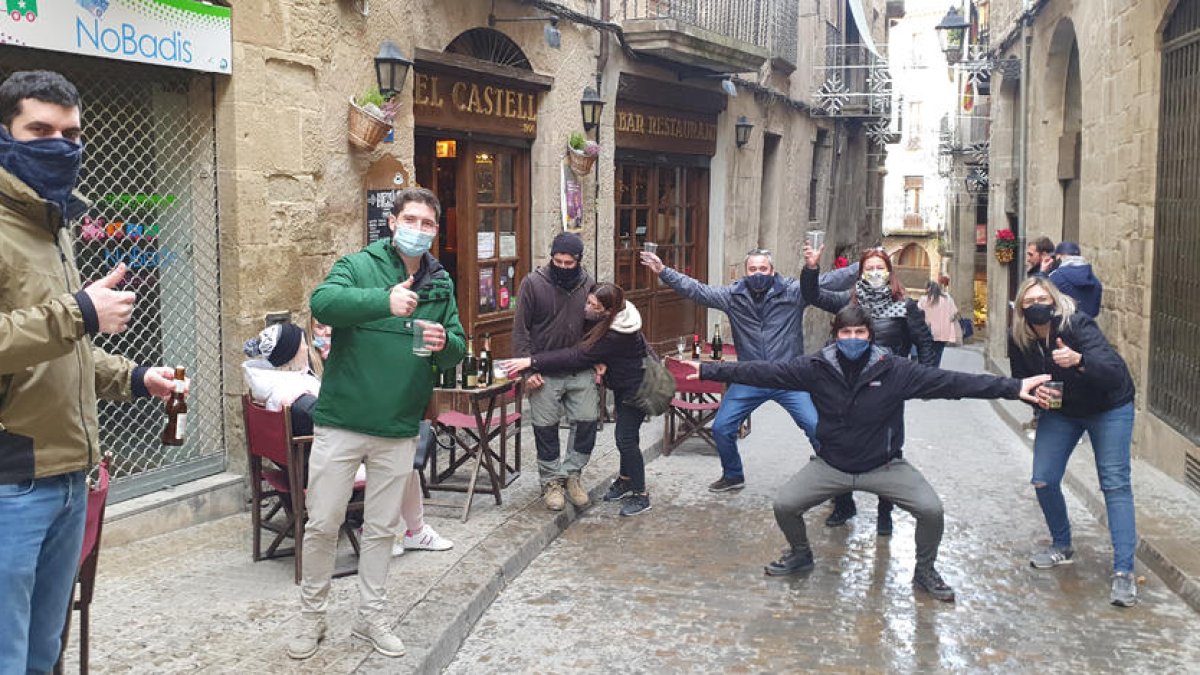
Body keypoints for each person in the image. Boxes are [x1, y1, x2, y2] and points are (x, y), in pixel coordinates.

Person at [0, 70, 189, 672]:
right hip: (11, 482)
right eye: (40, 130)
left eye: (71, 134)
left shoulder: (54, 226)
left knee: (43, 652)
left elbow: (58, 348)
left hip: (69, 478)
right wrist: (81, 311)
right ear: (6, 133)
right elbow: (57, 326)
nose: (59, 145)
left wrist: (134, 377)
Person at [691, 305, 1048, 602]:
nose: (853, 339)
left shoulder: (896, 370)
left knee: (931, 511)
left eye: (860, 332)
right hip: (831, 465)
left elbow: (954, 383)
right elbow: (765, 372)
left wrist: (1013, 387)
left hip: (884, 465)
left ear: (870, 336)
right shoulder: (816, 368)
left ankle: (925, 570)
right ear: (835, 335)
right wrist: (708, 369)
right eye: (846, 333)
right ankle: (800, 553)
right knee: (785, 505)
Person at [289, 187, 465, 660]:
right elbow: (324, 303)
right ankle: (312, 617)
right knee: (323, 522)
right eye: (411, 220)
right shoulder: (358, 265)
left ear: (436, 230)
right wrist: (383, 301)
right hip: (343, 421)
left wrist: (444, 342)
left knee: (384, 529)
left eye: (427, 223)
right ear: (392, 223)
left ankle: (371, 616)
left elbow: (457, 347)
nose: (418, 230)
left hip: (399, 425)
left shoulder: (440, 283)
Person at [638, 247, 858, 493]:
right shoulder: (732, 296)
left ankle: (833, 477)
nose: (758, 273)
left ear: (772, 270)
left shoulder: (793, 292)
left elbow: (829, 281)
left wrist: (867, 264)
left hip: (789, 377)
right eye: (753, 269)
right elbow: (698, 291)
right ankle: (733, 475)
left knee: (816, 428)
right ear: (745, 272)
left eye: (763, 268)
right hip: (750, 377)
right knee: (722, 428)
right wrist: (663, 271)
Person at [242, 322, 452, 559]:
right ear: (290, 354)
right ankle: (396, 532)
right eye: (302, 344)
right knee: (401, 464)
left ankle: (400, 529)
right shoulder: (299, 399)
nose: (307, 348)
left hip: (300, 465)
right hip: (322, 470)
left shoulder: (275, 387)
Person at [1007, 276, 1138, 607]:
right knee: (1043, 478)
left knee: (1115, 484)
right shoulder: (1019, 338)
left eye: (1042, 299)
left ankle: (1124, 572)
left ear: (1053, 300)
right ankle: (1061, 544)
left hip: (1109, 406)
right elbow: (1021, 380)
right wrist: (1036, 398)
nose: (1036, 305)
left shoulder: (1076, 324)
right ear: (1021, 308)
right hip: (1062, 411)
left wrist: (1079, 361)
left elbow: (1112, 371)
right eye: (1029, 301)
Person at [801, 244, 936, 534]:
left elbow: (924, 342)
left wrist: (925, 379)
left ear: (889, 271)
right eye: (869, 268)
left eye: (879, 267)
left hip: (887, 385)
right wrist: (811, 268)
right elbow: (813, 295)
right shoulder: (848, 302)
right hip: (846, 383)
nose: (875, 272)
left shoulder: (905, 307)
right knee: (839, 441)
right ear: (860, 273)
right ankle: (843, 503)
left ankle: (885, 511)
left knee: (887, 447)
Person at [500, 283, 653, 516]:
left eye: (593, 305)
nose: (586, 307)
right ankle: (624, 480)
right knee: (625, 437)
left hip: (639, 387)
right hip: (625, 385)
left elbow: (577, 355)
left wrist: (531, 361)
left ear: (608, 311)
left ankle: (641, 495)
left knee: (625, 439)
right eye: (588, 301)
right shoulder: (619, 315)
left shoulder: (615, 334)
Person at [512, 232, 598, 512]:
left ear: (578, 261)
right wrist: (527, 371)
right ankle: (551, 481)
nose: (562, 267)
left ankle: (572, 474)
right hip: (543, 369)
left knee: (587, 422)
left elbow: (597, 325)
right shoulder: (533, 283)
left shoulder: (589, 283)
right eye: (557, 261)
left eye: (568, 263)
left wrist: (600, 357)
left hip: (579, 367)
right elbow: (520, 330)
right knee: (545, 428)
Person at [1048, 241, 1103, 317]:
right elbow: (1095, 311)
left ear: (1059, 257)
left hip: (1063, 322)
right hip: (1087, 323)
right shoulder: (1095, 281)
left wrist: (1042, 272)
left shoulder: (1055, 277)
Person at [917, 279, 961, 367]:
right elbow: (954, 314)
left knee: (926, 355)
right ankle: (935, 371)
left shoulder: (924, 300)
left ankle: (926, 371)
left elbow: (918, 313)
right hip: (943, 333)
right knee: (938, 355)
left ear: (928, 289)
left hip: (928, 331)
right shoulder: (948, 299)